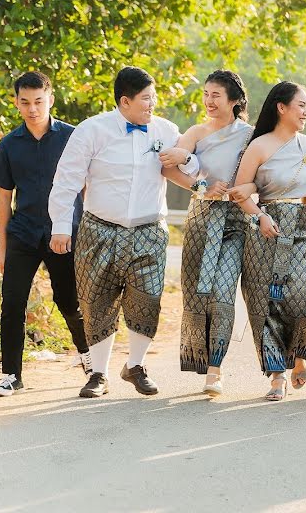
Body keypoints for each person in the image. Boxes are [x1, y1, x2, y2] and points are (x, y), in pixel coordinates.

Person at [49, 66, 199, 398]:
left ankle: (135, 365)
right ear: (125, 101)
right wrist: (61, 226)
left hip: (149, 230)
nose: (152, 104)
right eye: (147, 99)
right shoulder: (92, 130)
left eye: (154, 97)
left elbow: (190, 166)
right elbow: (67, 179)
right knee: (96, 300)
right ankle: (98, 375)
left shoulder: (166, 129)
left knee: (147, 298)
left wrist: (185, 156)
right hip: (98, 229)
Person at [0, 72, 90, 397]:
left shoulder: (72, 137)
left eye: (38, 102)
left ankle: (90, 362)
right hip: (23, 233)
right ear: (16, 102)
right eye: (25, 102)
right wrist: (3, 248)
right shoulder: (9, 145)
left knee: (68, 301)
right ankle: (10, 375)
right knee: (12, 302)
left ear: (50, 100)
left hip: (65, 233)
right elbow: (4, 197)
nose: (32, 109)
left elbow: (87, 187)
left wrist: (87, 235)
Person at [232, 81, 306, 402]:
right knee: (266, 300)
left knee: (301, 295)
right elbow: (240, 192)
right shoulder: (259, 146)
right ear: (281, 107)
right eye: (301, 105)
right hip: (265, 229)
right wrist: (259, 215)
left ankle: (300, 354)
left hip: (301, 228)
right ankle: (276, 375)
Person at [161, 70, 252, 396]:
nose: (209, 101)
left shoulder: (251, 135)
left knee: (224, 291)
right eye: (206, 94)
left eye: (216, 94)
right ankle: (200, 357)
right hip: (201, 216)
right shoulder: (197, 132)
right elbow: (168, 166)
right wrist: (201, 184)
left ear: (235, 100)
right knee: (197, 292)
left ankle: (216, 367)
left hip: (235, 219)